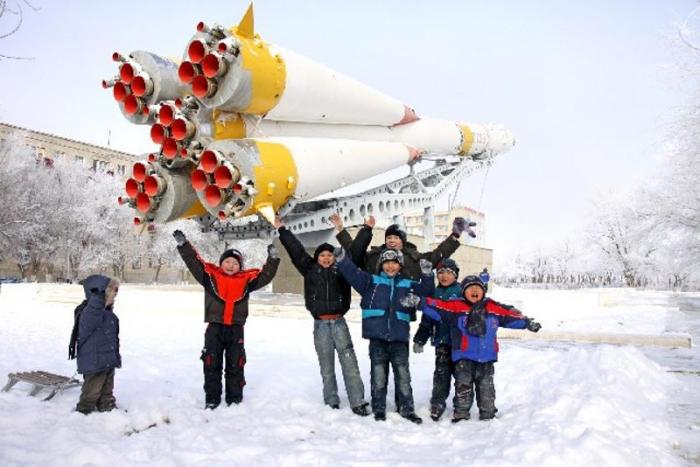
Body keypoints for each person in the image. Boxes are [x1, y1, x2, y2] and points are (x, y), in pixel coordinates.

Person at [173, 229, 280, 409]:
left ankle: (234, 399)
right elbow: (194, 263)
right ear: (221, 263)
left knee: (235, 364)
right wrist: (184, 245)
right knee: (211, 363)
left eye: (235, 263)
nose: (231, 265)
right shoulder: (210, 278)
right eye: (227, 261)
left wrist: (273, 259)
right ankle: (212, 399)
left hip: (236, 329)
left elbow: (266, 276)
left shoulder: (247, 281)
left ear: (240, 267)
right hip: (214, 328)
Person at [274, 217, 370, 416]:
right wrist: (282, 229)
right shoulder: (310, 270)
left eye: (329, 255)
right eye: (322, 255)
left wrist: (367, 229)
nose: (326, 258)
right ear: (317, 258)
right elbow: (296, 250)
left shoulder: (342, 270)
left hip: (339, 324)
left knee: (349, 364)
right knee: (326, 366)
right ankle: (331, 400)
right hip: (320, 326)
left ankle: (357, 401)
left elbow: (357, 250)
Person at [419, 275, 541, 422]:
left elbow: (510, 316)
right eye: (470, 288)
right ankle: (461, 412)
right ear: (464, 292)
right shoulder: (456, 307)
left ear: (484, 291)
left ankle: (488, 413)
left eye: (478, 288)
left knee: (486, 388)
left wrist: (527, 323)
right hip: (464, 357)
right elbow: (437, 306)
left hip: (486, 357)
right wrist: (420, 302)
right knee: (463, 386)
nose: (475, 290)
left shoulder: (492, 308)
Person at [335, 247, 434, 424]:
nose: (390, 267)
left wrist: (427, 275)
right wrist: (342, 259)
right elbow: (353, 274)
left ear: (400, 266)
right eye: (386, 263)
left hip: (399, 338)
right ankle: (379, 408)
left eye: (394, 263)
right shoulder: (370, 282)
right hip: (377, 337)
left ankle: (406, 408)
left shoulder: (407, 284)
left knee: (403, 375)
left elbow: (427, 291)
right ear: (381, 265)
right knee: (378, 374)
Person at [340, 216, 475, 281]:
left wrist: (455, 235)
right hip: (378, 310)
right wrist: (366, 230)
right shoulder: (374, 256)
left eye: (396, 238)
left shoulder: (414, 258)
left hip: (401, 312)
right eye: (389, 237)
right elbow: (355, 253)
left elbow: (437, 256)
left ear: (403, 241)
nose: (392, 240)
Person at [412, 258, 462, 421]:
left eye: (448, 273)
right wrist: (420, 339)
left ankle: (462, 405)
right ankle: (438, 402)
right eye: (440, 272)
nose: (444, 276)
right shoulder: (434, 293)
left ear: (455, 275)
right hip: (442, 340)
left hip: (461, 343)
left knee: (463, 375)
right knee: (441, 374)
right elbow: (427, 319)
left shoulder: (462, 291)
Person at [75, 274, 121, 415]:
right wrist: (98, 297)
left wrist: (115, 356)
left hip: (107, 360)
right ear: (101, 294)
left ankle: (107, 406)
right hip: (94, 362)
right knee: (92, 391)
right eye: (112, 293)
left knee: (107, 389)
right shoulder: (89, 314)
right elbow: (94, 310)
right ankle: (84, 411)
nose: (115, 297)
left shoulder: (109, 314)